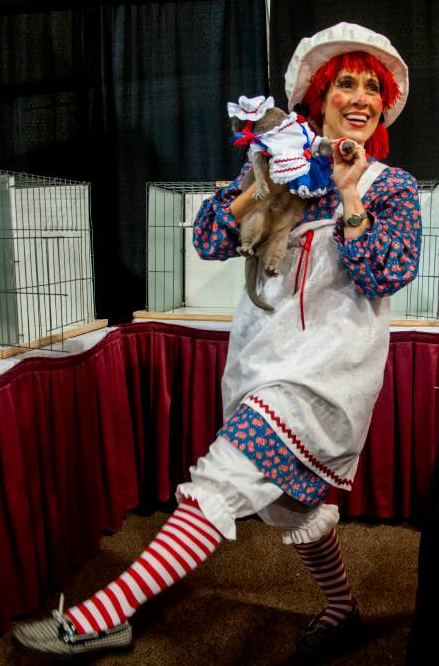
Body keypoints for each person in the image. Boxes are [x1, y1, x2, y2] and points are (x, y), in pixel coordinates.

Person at [13, 21, 421, 661]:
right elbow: (209, 238)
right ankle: (342, 608)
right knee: (293, 508)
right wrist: (266, 178)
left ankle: (107, 615)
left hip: (328, 373)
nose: (361, 97)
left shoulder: (390, 187)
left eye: (373, 87)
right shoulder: (275, 162)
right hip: (260, 358)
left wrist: (347, 191)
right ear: (319, 96)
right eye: (346, 83)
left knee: (225, 477)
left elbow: (385, 271)